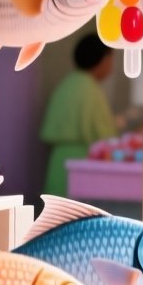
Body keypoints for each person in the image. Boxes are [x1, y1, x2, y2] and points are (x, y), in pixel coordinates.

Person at [40, 34, 118, 198]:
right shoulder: (91, 90)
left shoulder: (66, 84)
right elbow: (106, 137)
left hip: (57, 162)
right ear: (103, 59)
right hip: (82, 164)